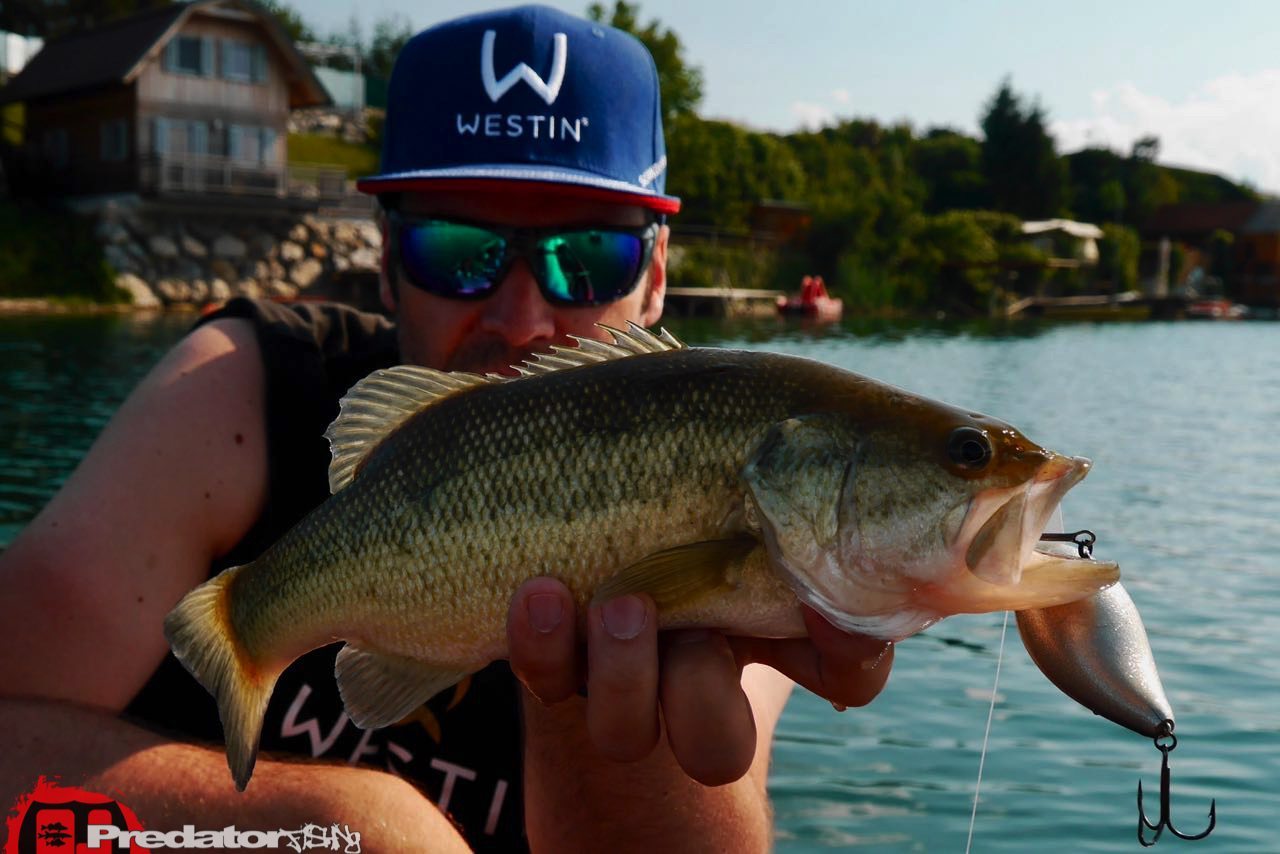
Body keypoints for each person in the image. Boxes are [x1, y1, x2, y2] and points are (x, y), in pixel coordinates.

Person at [0, 6, 893, 851]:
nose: (523, 319)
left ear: (656, 275)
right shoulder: (237, 396)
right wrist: (339, 828)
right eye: (458, 253)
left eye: (588, 258)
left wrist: (596, 720)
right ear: (389, 263)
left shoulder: (738, 462)